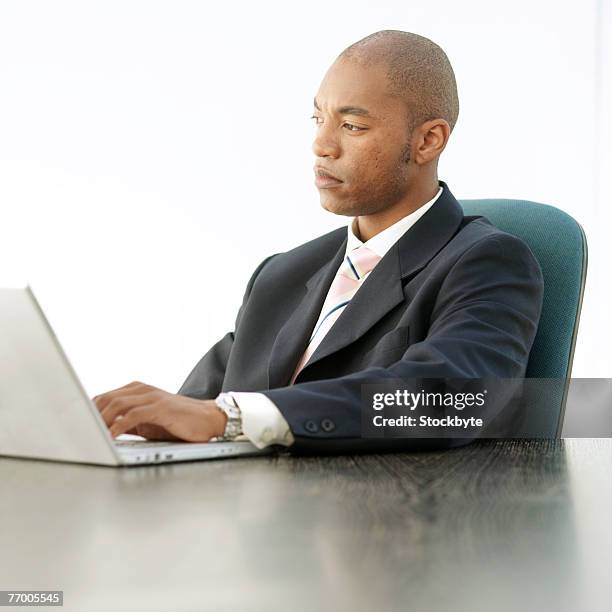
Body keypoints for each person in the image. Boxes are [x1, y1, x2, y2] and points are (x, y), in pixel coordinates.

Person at [93, 30, 544, 454]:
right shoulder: (281, 274)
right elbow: (195, 408)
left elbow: (445, 399)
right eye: (318, 119)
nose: (321, 145)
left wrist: (226, 418)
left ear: (428, 141)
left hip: (385, 524)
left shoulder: (488, 262)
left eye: (351, 126)